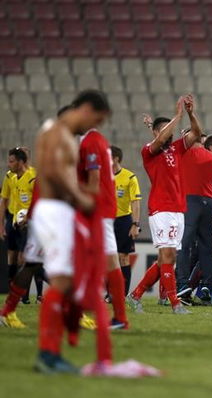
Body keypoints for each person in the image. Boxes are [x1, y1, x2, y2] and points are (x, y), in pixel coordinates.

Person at [32, 90, 112, 373]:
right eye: (97, 120)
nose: (94, 128)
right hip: (54, 210)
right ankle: (48, 354)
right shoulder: (58, 133)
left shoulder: (58, 133)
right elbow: (54, 171)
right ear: (87, 109)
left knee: (64, 282)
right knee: (63, 282)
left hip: (57, 210)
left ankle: (51, 352)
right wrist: (81, 199)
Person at [127, 95, 202, 314]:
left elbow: (196, 133)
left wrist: (189, 113)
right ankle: (174, 304)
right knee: (168, 257)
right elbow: (159, 140)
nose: (167, 134)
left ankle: (135, 295)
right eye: (164, 130)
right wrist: (178, 116)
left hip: (177, 210)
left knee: (165, 260)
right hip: (161, 208)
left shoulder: (178, 148)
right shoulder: (149, 151)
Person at [78, 126, 128, 330]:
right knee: (107, 261)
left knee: (104, 261)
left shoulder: (90, 142)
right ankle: (118, 317)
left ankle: (117, 317)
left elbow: (95, 178)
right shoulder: (98, 140)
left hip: (96, 210)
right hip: (103, 209)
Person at [176, 133, 212, 304]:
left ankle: (182, 285)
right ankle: (206, 286)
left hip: (189, 202)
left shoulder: (183, 153)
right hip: (207, 203)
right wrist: (211, 201)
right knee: (207, 246)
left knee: (184, 244)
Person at [0, 148, 38, 327]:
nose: (9, 164)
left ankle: (20, 298)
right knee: (16, 258)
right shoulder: (10, 177)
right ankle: (12, 299)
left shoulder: (33, 176)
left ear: (23, 161)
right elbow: (4, 199)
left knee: (28, 260)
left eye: (12, 160)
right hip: (14, 221)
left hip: (30, 223)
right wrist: (2, 224)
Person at [111, 146, 141, 295]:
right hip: (106, 221)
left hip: (123, 221)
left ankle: (122, 294)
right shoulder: (101, 177)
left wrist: (135, 224)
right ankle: (110, 293)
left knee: (123, 257)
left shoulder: (129, 177)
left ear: (115, 158)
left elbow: (135, 202)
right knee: (108, 258)